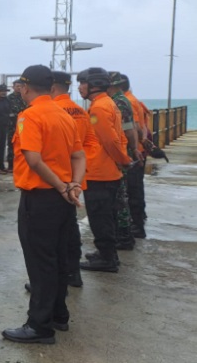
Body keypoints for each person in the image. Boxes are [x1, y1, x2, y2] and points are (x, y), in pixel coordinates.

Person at [2, 65, 85, 345]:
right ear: (51, 88)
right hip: (62, 200)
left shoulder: (29, 116)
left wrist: (63, 186)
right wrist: (73, 185)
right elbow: (78, 156)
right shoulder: (65, 116)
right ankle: (59, 315)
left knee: (40, 263)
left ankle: (39, 325)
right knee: (60, 259)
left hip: (40, 198)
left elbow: (34, 160)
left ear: (25, 87)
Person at [76, 67, 131, 273]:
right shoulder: (109, 104)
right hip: (108, 170)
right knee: (107, 215)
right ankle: (107, 253)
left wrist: (122, 159)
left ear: (94, 85)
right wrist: (123, 159)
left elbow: (109, 140)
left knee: (100, 216)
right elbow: (120, 137)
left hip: (100, 170)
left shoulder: (98, 108)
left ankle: (107, 258)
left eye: (82, 83)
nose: (79, 87)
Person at [51, 71, 99, 288]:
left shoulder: (51, 111)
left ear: (51, 86)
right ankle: (73, 274)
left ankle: (56, 278)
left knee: (52, 234)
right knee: (70, 227)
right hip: (76, 179)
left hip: (55, 181)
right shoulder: (81, 111)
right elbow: (89, 144)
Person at [107, 72, 140, 251]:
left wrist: (132, 150)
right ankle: (124, 234)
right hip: (123, 151)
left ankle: (124, 236)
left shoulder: (118, 102)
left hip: (119, 153)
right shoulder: (122, 100)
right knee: (121, 194)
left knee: (120, 196)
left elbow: (128, 129)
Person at [120, 75, 150, 238]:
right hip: (138, 149)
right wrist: (143, 142)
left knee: (132, 190)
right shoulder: (133, 99)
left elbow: (136, 126)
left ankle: (137, 226)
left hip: (132, 152)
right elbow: (143, 127)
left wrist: (135, 146)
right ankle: (139, 219)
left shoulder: (127, 102)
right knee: (136, 188)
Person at [7, 79, 27, 172]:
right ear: (13, 87)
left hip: (23, 124)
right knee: (12, 144)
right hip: (12, 124)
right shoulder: (9, 98)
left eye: (20, 86)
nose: (19, 88)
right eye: (17, 86)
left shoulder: (24, 97)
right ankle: (11, 165)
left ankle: (22, 164)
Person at [0, 84, 11, 172]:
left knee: (2, 146)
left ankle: (1, 165)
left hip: (4, 126)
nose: (4, 93)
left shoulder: (7, 100)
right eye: (2, 91)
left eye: (5, 91)